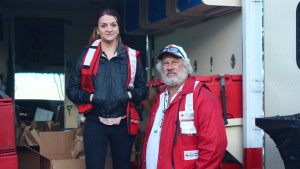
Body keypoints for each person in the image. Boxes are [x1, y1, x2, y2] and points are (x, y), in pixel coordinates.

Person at [67, 8, 148, 169]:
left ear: (118, 28)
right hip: (95, 123)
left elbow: (143, 90)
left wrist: (128, 95)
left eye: (113, 25)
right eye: (104, 26)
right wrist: (91, 97)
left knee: (122, 166)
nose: (109, 29)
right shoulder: (85, 56)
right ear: (97, 30)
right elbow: (72, 90)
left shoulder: (131, 56)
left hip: (123, 124)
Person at [141, 44, 227, 169]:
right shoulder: (159, 98)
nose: (170, 67)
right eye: (165, 63)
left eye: (175, 62)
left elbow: (215, 145)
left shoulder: (202, 97)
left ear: (186, 66)